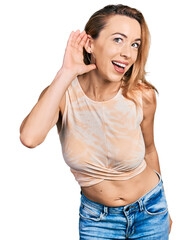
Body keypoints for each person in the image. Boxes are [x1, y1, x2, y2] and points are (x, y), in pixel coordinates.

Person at [20, 4, 172, 239]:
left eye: (135, 44)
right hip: (97, 219)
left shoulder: (142, 95)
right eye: (118, 40)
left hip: (150, 211)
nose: (128, 53)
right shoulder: (62, 95)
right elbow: (29, 138)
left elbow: (150, 150)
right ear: (90, 44)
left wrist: (164, 208)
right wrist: (66, 71)